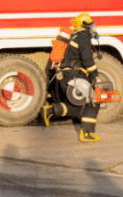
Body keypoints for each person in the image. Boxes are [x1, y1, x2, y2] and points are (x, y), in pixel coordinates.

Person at [43, 13, 103, 143]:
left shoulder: (75, 36)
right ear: (85, 25)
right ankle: (86, 133)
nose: (94, 27)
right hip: (74, 75)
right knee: (94, 100)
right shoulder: (83, 37)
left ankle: (51, 110)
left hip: (67, 75)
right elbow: (87, 60)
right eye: (91, 24)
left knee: (78, 105)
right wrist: (95, 76)